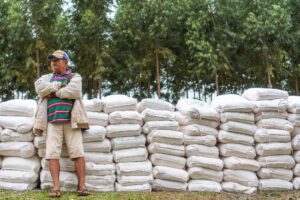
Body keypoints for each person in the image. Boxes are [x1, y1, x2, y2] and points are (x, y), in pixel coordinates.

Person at [33, 50, 90, 197]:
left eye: (57, 60)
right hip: (52, 122)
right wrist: (59, 85)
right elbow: (40, 88)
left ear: (66, 62)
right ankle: (56, 188)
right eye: (52, 60)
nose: (53, 62)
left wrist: (53, 92)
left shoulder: (74, 76)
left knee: (77, 153)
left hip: (72, 121)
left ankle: (82, 187)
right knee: (52, 154)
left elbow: (75, 91)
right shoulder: (46, 77)